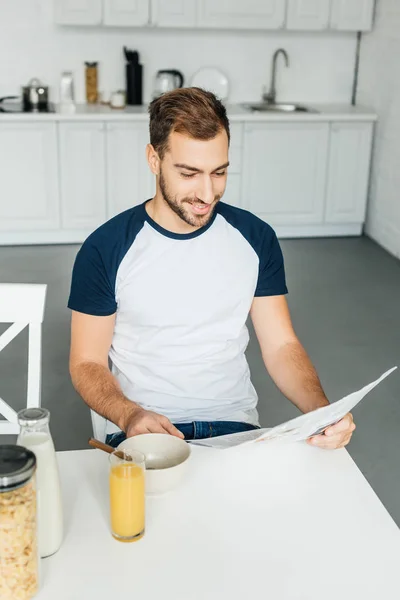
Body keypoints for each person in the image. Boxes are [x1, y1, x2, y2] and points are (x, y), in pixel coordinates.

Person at [68, 87, 355, 450]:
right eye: (189, 174)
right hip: (143, 428)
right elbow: (86, 362)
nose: (207, 193)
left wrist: (321, 411)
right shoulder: (106, 248)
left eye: (218, 173)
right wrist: (127, 414)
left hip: (233, 425)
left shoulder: (254, 237)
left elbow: (281, 345)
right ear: (154, 160)